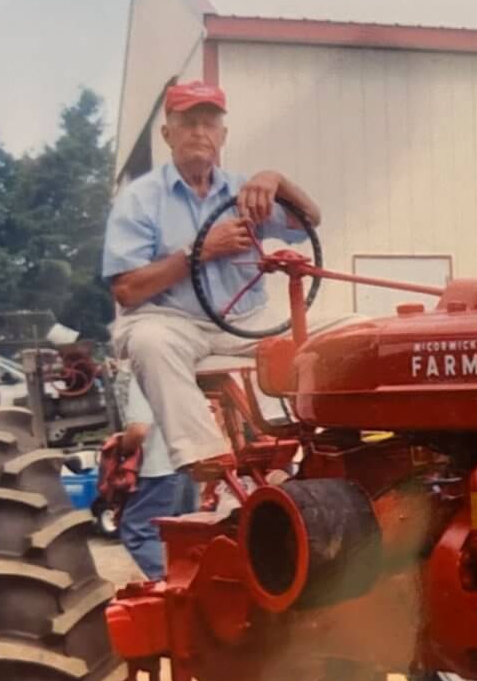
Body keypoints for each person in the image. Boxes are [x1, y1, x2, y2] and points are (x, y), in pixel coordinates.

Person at [102, 81, 321, 479]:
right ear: (168, 134)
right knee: (149, 341)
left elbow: (310, 220)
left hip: (246, 323)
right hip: (172, 321)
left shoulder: (248, 191)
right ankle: (203, 456)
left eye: (209, 123)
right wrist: (198, 252)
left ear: (223, 135)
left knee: (350, 331)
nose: (199, 132)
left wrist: (277, 179)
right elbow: (127, 289)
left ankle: (343, 438)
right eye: (188, 123)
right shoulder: (139, 199)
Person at [116, 376, 197, 580]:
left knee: (137, 531)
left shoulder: (142, 374)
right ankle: (194, 583)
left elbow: (138, 431)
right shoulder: (180, 369)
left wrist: (121, 448)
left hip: (159, 467)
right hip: (189, 464)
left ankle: (173, 584)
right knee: (184, 534)